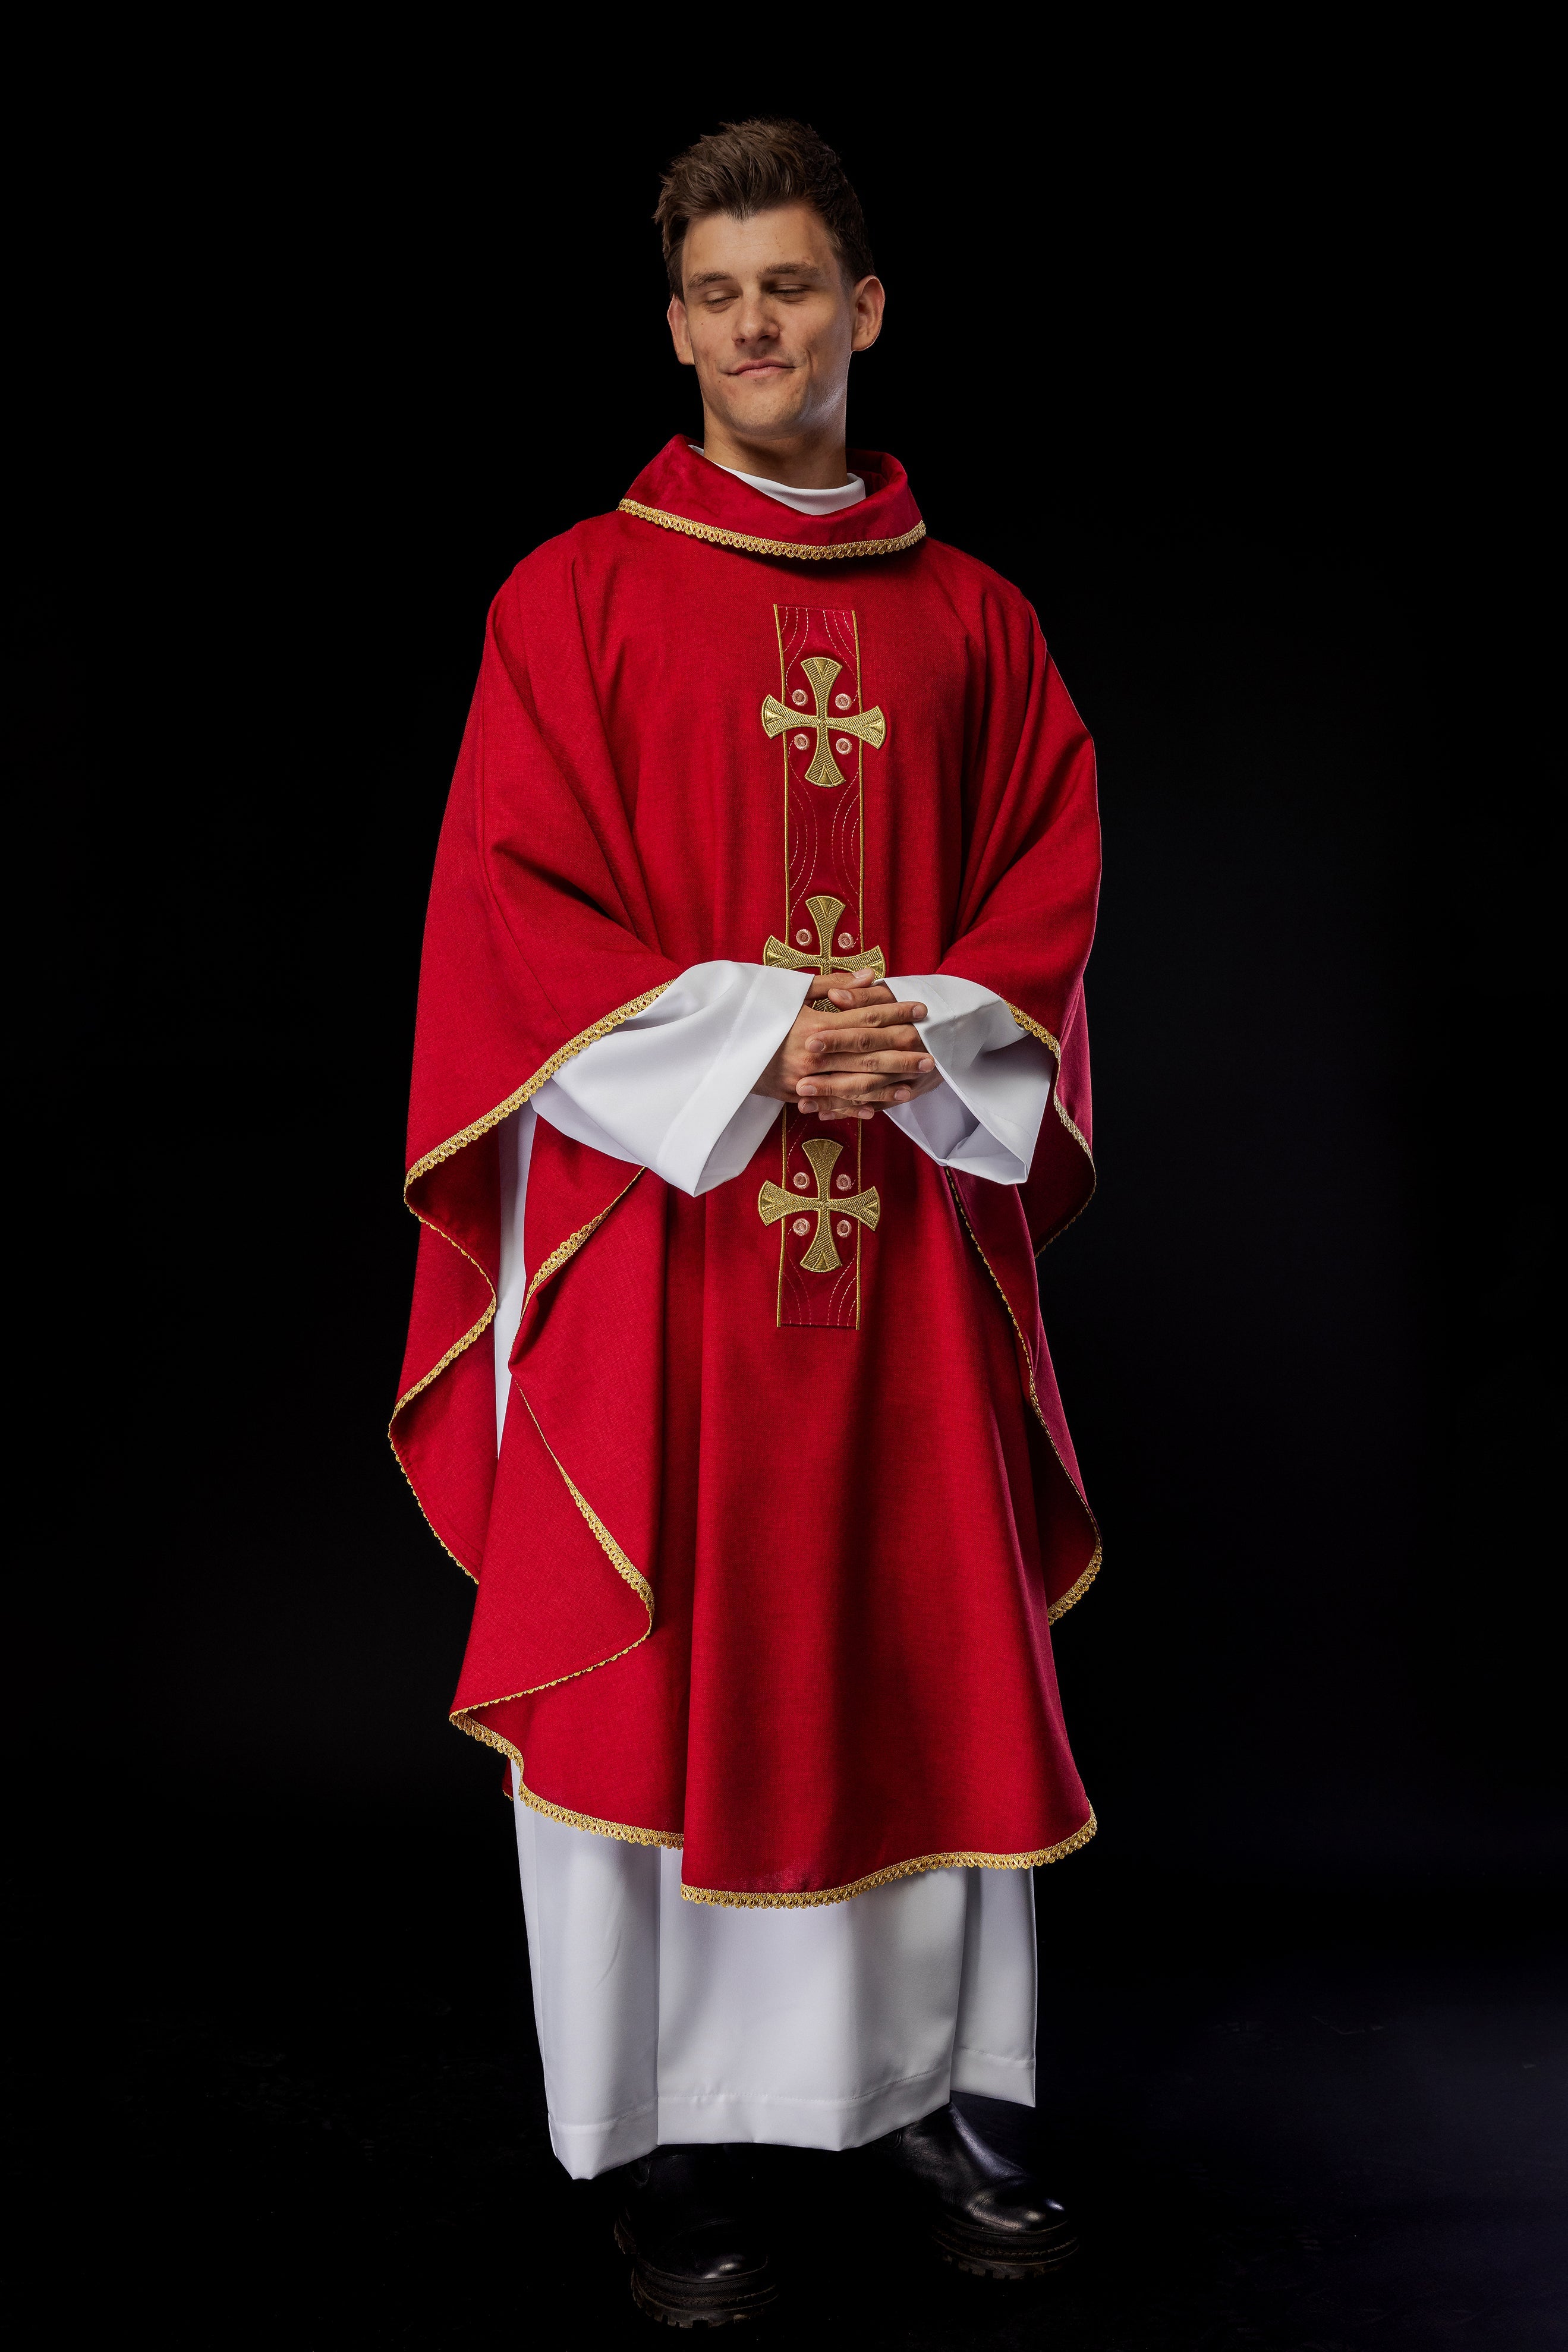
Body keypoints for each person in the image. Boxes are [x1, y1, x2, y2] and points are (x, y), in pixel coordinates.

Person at [393, 117, 1103, 2329]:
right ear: (677, 325)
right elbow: (513, 920)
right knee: (658, 1649)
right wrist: (755, 1045)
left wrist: (947, 1021)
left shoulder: (979, 620)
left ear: (863, 313)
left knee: (918, 1645)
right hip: (673, 1254)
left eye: (791, 289)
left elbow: (1050, 891)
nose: (753, 330)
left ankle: (937, 2095)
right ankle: (675, 2143)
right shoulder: (573, 599)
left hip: (897, 1265)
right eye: (714, 297)